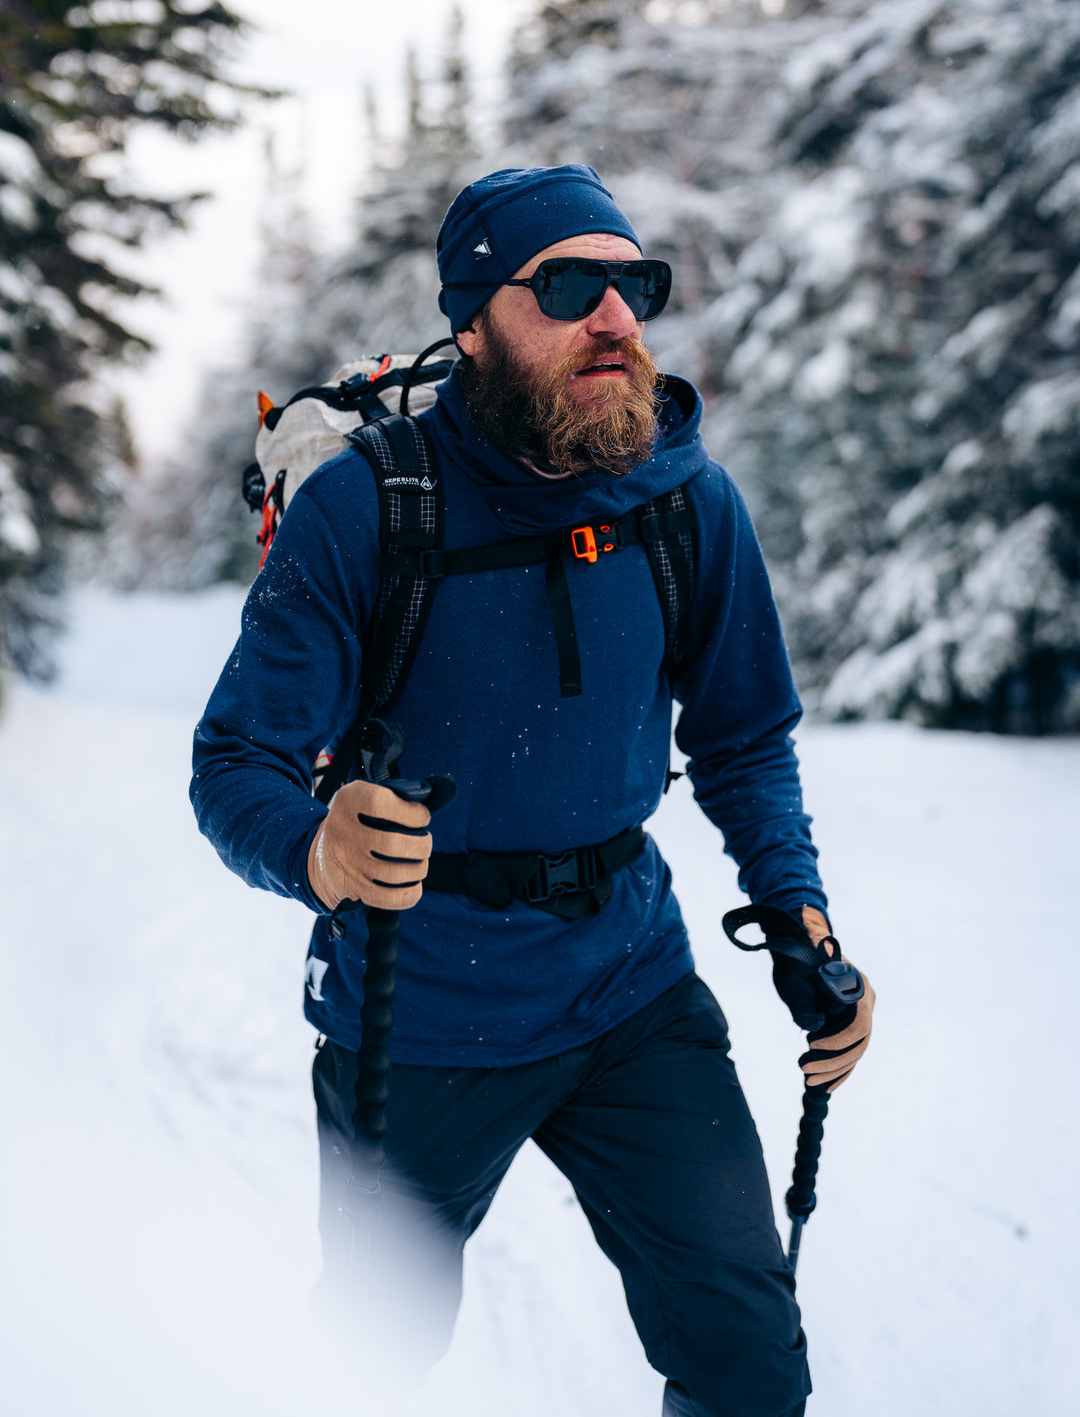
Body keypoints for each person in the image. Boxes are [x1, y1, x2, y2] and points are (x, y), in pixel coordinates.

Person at [191, 164, 874, 1417]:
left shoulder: (686, 500)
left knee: (748, 1360)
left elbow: (744, 738)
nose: (616, 318)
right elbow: (234, 760)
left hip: (632, 991)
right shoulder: (367, 509)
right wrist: (318, 852)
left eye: (635, 286)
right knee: (368, 1364)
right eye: (568, 286)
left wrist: (797, 913)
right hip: (416, 1018)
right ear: (472, 319)